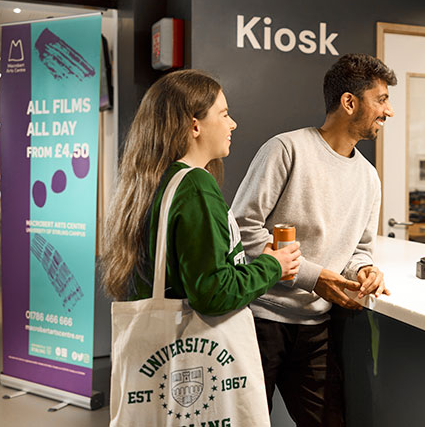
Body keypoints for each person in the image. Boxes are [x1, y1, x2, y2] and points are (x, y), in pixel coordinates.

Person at [230, 53, 396, 426]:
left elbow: (359, 247)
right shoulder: (285, 150)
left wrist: (365, 268)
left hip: (315, 329)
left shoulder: (369, 178)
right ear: (349, 102)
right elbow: (243, 230)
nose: (389, 111)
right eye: (381, 99)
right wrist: (312, 276)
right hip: (260, 320)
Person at [101, 69, 301, 315]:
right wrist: (273, 266)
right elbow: (214, 294)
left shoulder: (154, 180)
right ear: (195, 126)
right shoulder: (195, 185)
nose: (233, 124)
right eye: (224, 114)